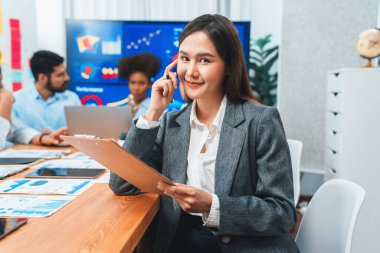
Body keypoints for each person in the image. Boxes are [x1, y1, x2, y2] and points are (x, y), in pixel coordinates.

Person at [109, 14, 298, 253]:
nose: (190, 71)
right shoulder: (171, 123)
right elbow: (122, 184)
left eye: (205, 61)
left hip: (241, 244)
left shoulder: (260, 120)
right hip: (181, 240)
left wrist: (213, 206)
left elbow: (282, 213)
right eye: (185, 59)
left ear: (229, 66)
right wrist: (153, 112)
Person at [0, 65, 68, 148]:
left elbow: (17, 131)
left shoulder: (71, 97)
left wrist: (42, 138)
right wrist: (5, 100)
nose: (2, 86)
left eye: (1, 80)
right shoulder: (14, 97)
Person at [12, 50, 80, 132]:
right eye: (60, 75)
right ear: (42, 78)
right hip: (30, 145)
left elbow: (80, 133)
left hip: (66, 145)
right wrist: (36, 137)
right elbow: (11, 137)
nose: (67, 78)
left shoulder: (72, 98)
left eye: (65, 73)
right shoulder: (16, 101)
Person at [117, 53, 161, 120]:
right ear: (128, 83)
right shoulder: (122, 109)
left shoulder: (157, 109)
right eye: (133, 83)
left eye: (141, 83)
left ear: (149, 84)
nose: (136, 88)